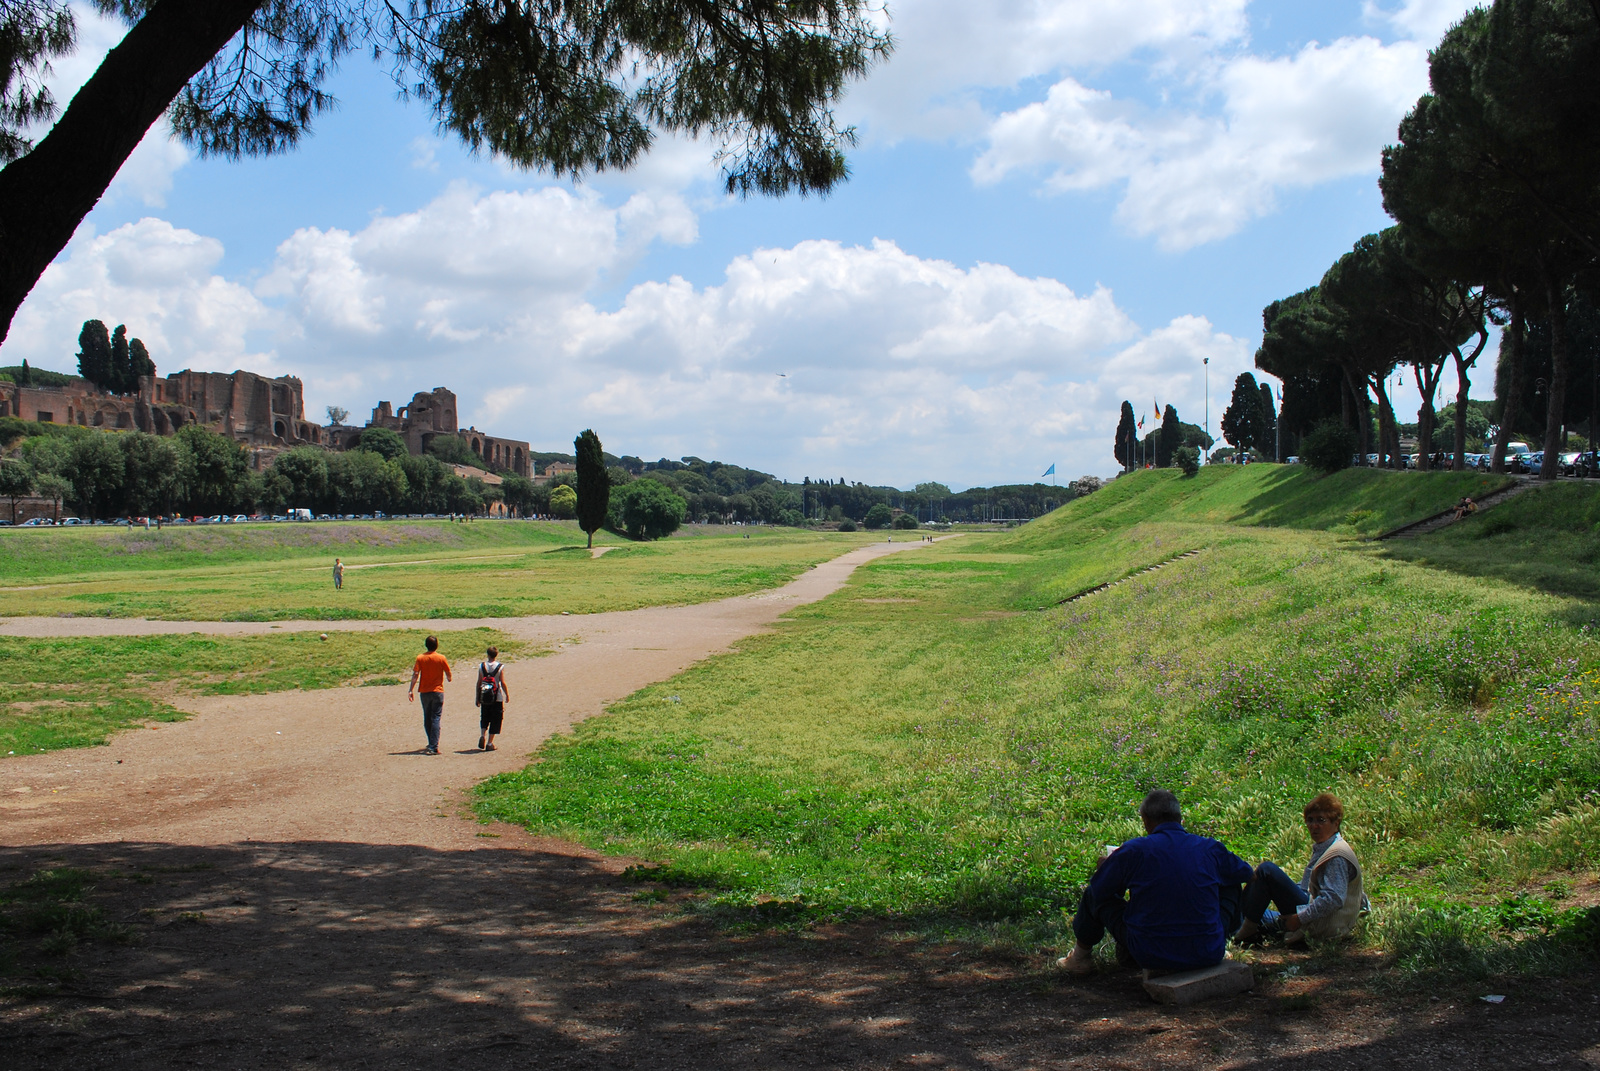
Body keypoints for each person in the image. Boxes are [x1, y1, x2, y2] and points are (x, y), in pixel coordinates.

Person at [1058, 789, 1252, 976]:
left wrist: (1106, 868)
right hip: (1208, 952)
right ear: (1180, 819)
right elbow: (1246, 872)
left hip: (1150, 953)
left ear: (1146, 821)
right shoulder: (1209, 848)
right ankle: (1221, 939)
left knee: (1095, 894)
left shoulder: (1134, 850)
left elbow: (1101, 889)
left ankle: (1080, 958)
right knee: (1231, 879)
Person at [1235, 793, 1367, 946]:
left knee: (1267, 871)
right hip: (1313, 913)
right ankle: (1241, 925)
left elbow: (1334, 898)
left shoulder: (1336, 855)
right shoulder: (1326, 847)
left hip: (1323, 926)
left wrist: (1299, 919)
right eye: (1310, 820)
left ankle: (1244, 932)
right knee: (1255, 909)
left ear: (1336, 823)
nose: (1314, 826)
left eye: (1321, 820)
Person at [407, 635, 452, 755]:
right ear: (436, 645)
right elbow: (448, 672)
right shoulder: (441, 658)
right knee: (436, 718)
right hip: (437, 691)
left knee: (427, 717)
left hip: (425, 692)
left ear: (426, 645)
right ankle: (433, 745)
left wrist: (411, 689)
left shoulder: (420, 658)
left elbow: (416, 674)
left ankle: (431, 743)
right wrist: (449, 678)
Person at [475, 646, 510, 751]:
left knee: (484, 717)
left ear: (488, 654)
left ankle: (482, 735)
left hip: (484, 696)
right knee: (496, 719)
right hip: (496, 697)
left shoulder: (482, 666)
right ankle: (490, 743)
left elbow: (479, 683)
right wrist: (507, 694)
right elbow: (502, 682)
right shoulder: (500, 667)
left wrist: (477, 697)